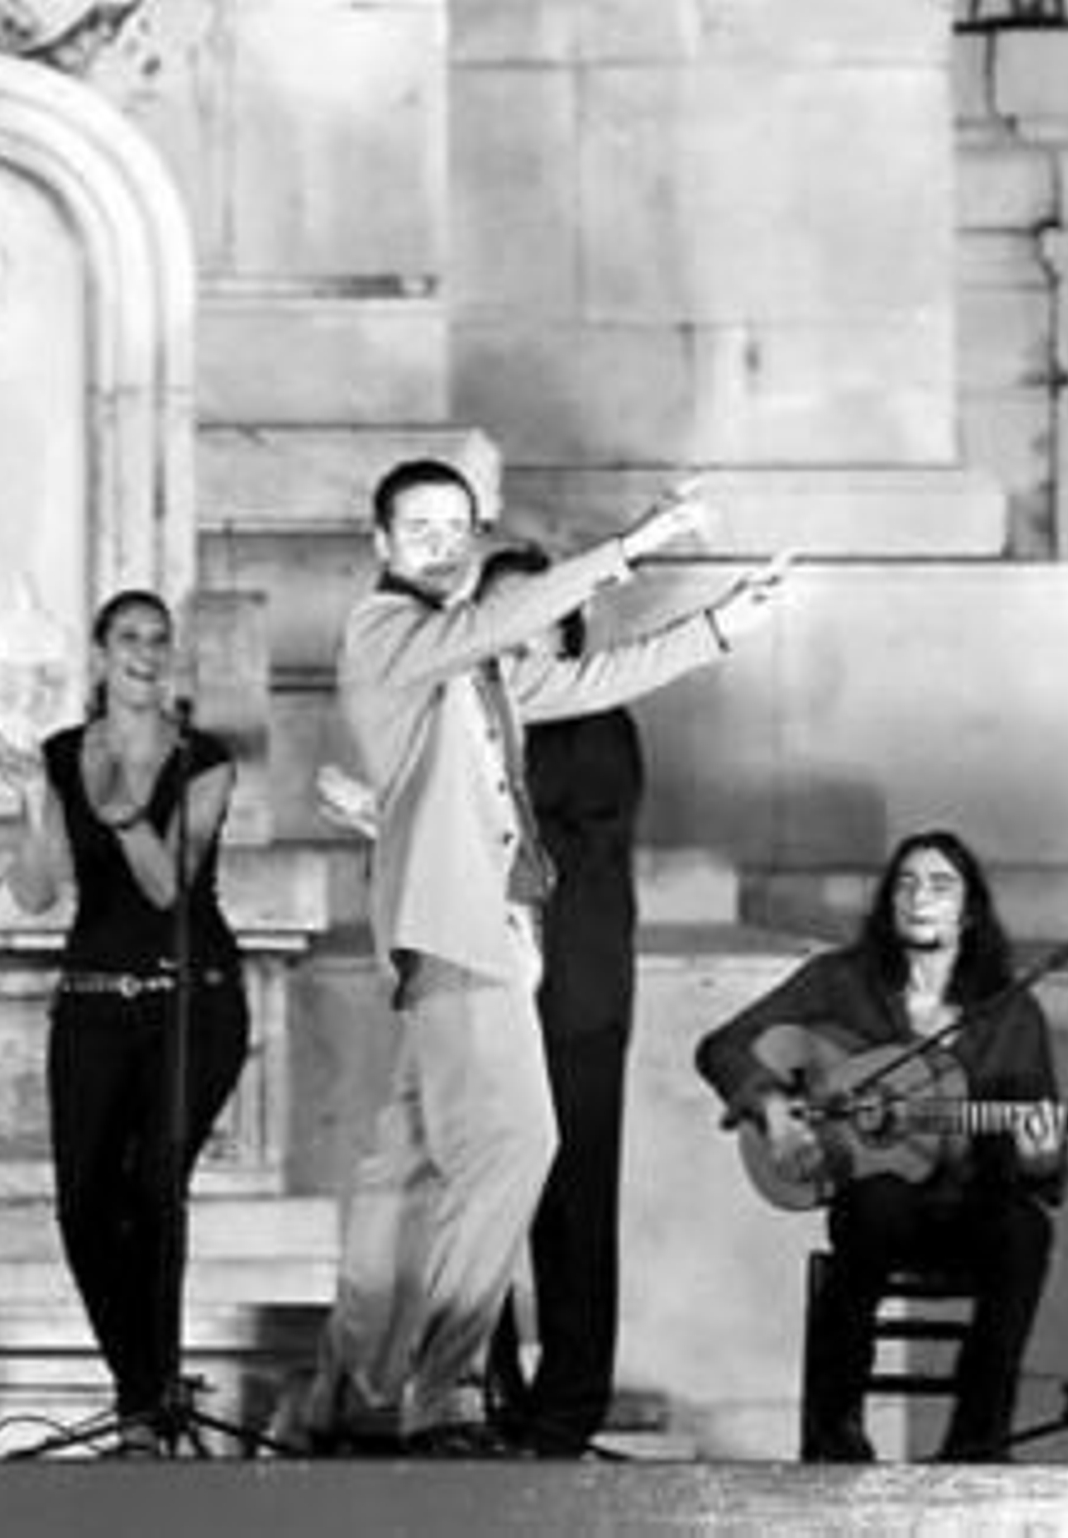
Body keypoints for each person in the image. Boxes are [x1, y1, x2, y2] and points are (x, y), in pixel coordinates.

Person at [307, 456, 790, 1454]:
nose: (442, 542)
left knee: (405, 1168)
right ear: (381, 542)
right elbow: (491, 626)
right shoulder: (388, 629)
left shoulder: (474, 660)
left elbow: (583, 679)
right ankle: (441, 1391)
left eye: (457, 526)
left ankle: (351, 1388)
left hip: (468, 936)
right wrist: (631, 547)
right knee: (518, 1144)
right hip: (459, 935)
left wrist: (714, 628)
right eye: (421, 527)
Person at [0, 589, 250, 1449]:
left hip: (190, 1002)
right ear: (98, 654)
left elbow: (171, 889)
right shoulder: (60, 754)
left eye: (159, 639)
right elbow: (33, 892)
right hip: (93, 1006)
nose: (145, 651)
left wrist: (124, 813)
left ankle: (145, 1413)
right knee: (85, 1206)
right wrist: (34, 799)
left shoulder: (206, 761)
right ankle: (151, 1388)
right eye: (128, 637)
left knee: (153, 1196)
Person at [695, 829, 1065, 1463]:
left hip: (968, 1211)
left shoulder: (1010, 1013)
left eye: (941, 886)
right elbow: (722, 1046)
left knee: (1025, 1230)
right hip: (873, 1204)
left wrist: (1041, 1155)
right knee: (880, 1200)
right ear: (890, 900)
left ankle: (975, 1446)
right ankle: (837, 1433)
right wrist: (776, 1112)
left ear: (969, 911)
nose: (921, 898)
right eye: (907, 883)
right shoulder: (839, 981)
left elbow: (1044, 1176)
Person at [474, 547, 645, 1458]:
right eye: (497, 608)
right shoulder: (463, 718)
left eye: (532, 607)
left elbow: (558, 848)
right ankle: (486, 1391)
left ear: (562, 620)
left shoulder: (596, 718)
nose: (515, 623)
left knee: (575, 1202)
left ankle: (568, 1403)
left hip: (573, 992)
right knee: (483, 1198)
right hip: (483, 989)